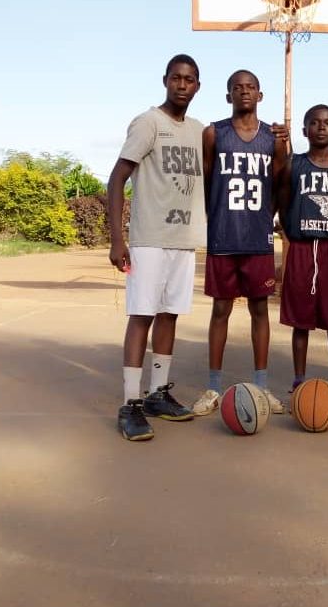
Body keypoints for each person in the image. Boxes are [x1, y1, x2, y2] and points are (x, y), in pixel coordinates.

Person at [108, 54, 205, 441]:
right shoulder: (148, 122)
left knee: (169, 316)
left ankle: (157, 394)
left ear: (198, 86)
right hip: (148, 239)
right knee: (142, 316)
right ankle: (130, 404)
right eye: (177, 78)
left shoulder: (198, 130)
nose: (183, 85)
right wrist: (117, 238)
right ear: (165, 80)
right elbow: (116, 179)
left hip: (183, 241)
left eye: (190, 80)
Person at [190, 70, 288, 416]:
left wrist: (265, 216)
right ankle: (213, 387)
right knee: (220, 310)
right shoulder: (214, 134)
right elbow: (206, 182)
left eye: (250, 88)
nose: (244, 92)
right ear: (228, 95)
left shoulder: (273, 139)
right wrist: (214, 218)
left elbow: (279, 184)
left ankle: (261, 386)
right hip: (224, 235)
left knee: (260, 311)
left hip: (257, 238)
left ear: (260, 95)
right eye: (237, 88)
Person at [276, 105, 328, 409]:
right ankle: (299, 381)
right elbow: (283, 203)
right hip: (301, 248)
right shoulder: (293, 164)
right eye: (314, 122)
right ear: (304, 130)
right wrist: (292, 233)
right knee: (301, 322)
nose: (321, 127)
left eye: (327, 123)